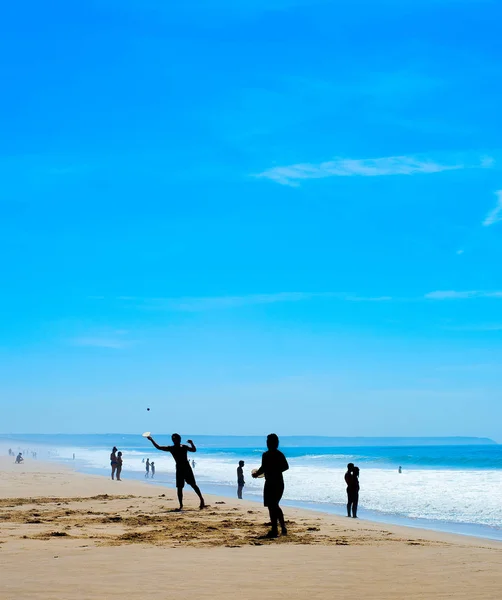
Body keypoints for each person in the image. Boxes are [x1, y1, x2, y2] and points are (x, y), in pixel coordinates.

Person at [147, 434, 205, 510]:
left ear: (179, 440)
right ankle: (181, 505)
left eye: (176, 439)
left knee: (193, 484)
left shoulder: (183, 447)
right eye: (173, 439)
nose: (175, 441)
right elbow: (159, 447)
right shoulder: (172, 448)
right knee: (179, 487)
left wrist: (191, 443)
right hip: (179, 468)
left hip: (187, 468)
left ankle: (201, 499)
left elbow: (194, 450)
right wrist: (151, 440)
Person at [252, 433, 289, 538]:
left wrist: (271, 471)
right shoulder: (272, 454)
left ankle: (277, 528)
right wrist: (258, 473)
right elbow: (264, 468)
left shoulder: (273, 455)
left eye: (269, 442)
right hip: (273, 483)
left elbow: (285, 467)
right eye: (268, 442)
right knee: (272, 506)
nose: (268, 444)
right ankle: (279, 528)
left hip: (274, 483)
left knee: (273, 506)